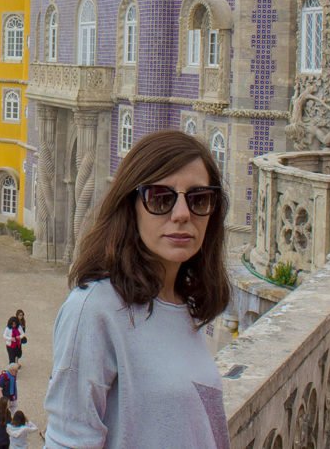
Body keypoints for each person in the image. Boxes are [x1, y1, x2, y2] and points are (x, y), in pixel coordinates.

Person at [44, 130, 231, 448]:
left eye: (198, 199)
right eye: (161, 198)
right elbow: (68, 440)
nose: (182, 214)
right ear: (130, 206)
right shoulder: (95, 309)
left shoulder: (181, 306)